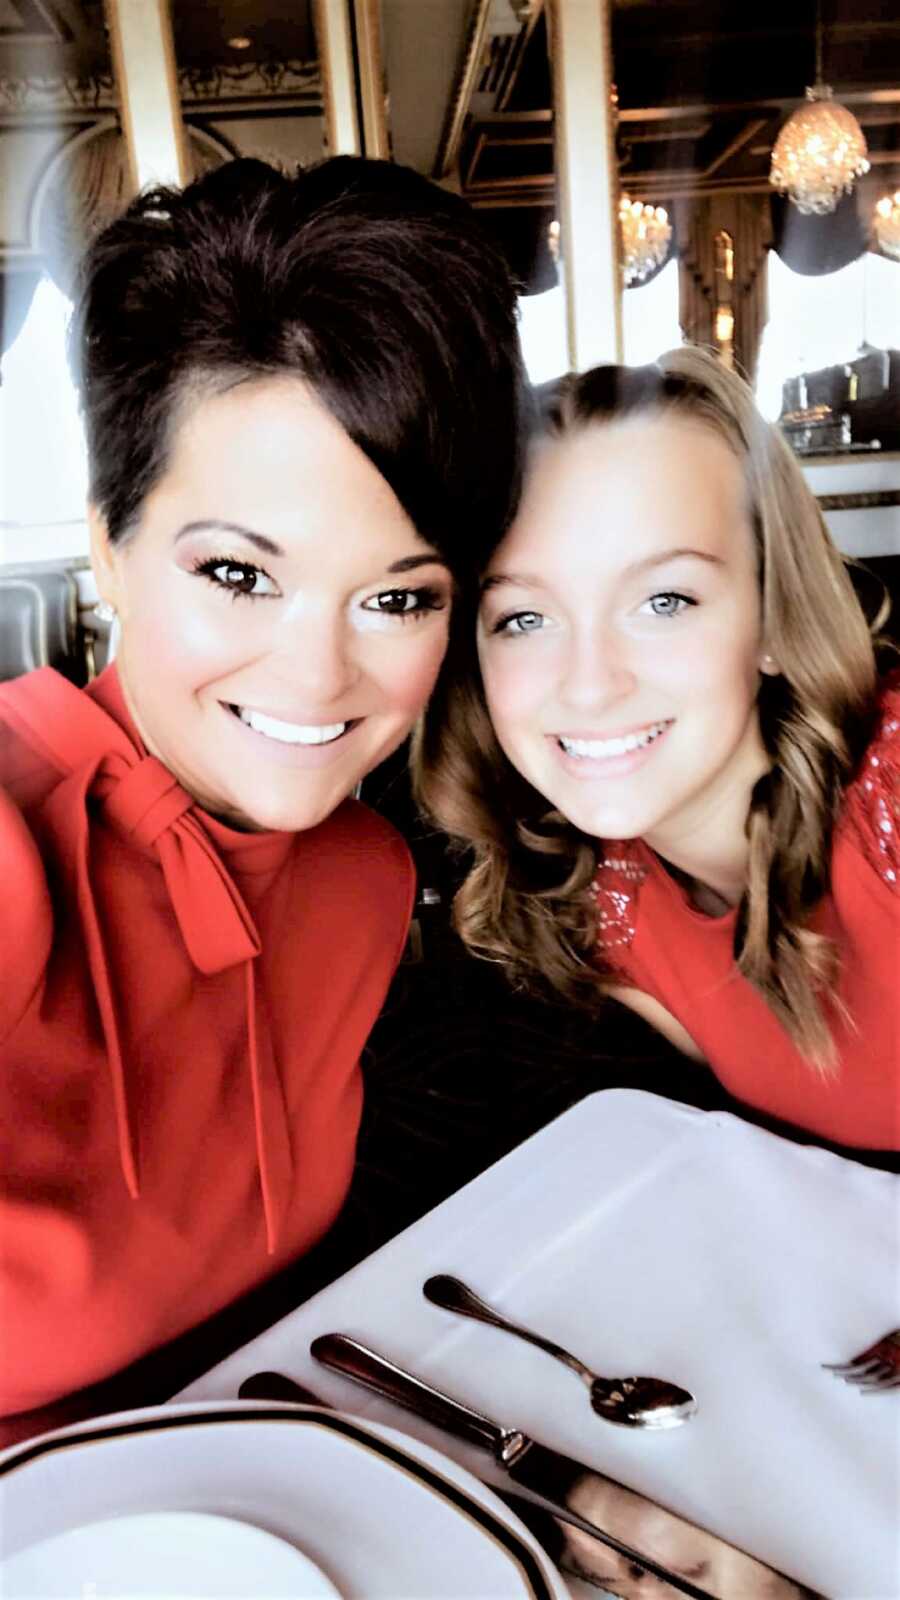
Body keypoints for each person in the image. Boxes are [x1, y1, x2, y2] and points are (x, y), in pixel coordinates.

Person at [0, 155, 524, 1418]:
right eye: (238, 573)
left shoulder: (361, 879)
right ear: (109, 549)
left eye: (399, 596)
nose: (317, 671)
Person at [416, 347, 898, 1152]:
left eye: (664, 600)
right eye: (524, 619)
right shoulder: (604, 901)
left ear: (775, 619)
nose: (590, 685)